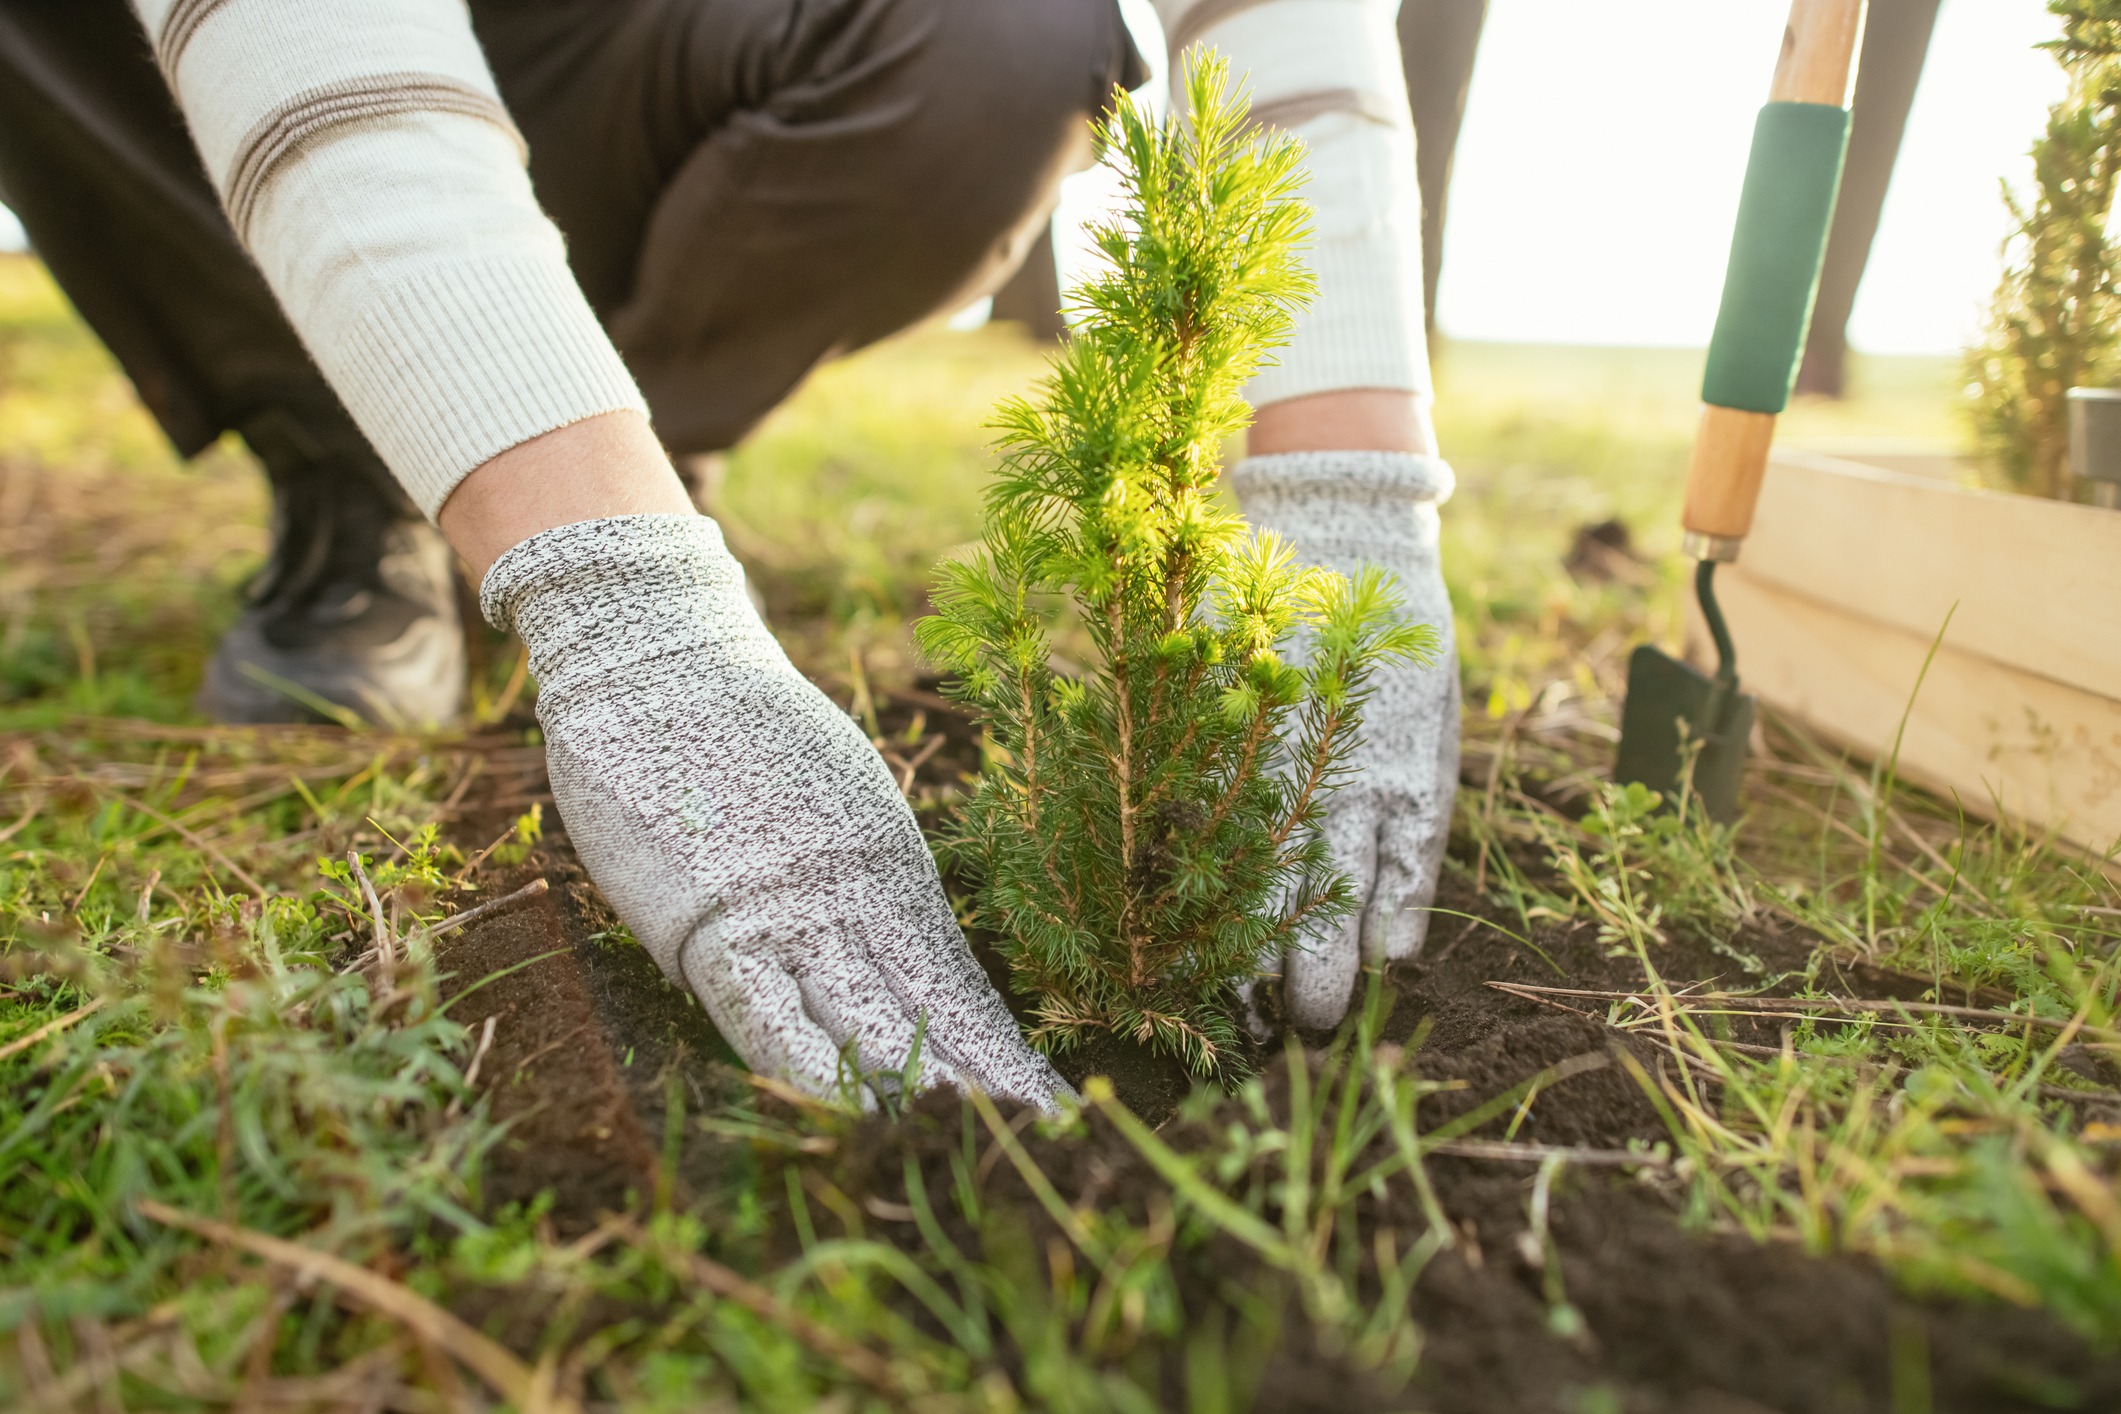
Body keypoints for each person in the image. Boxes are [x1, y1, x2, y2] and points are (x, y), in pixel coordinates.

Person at [0, 0, 1459, 1107]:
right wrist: (621, 605)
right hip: (214, 86)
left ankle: (619, 438)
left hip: (671, 52)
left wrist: (1347, 507)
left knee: (1012, 28)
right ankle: (374, 458)